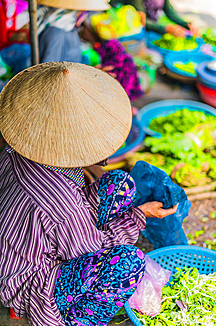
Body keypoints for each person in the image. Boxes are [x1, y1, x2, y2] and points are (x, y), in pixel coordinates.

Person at [0, 62, 178, 326]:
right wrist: (140, 215)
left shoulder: (18, 149)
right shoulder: (61, 201)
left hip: (27, 240)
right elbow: (93, 249)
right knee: (128, 263)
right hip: (26, 280)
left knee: (120, 184)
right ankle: (75, 320)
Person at [36, 0, 143, 102]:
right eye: (81, 11)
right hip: (65, 92)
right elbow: (48, 76)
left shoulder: (69, 28)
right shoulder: (56, 34)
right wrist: (88, 77)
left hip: (77, 76)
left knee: (124, 62)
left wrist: (93, 71)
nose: (83, 15)